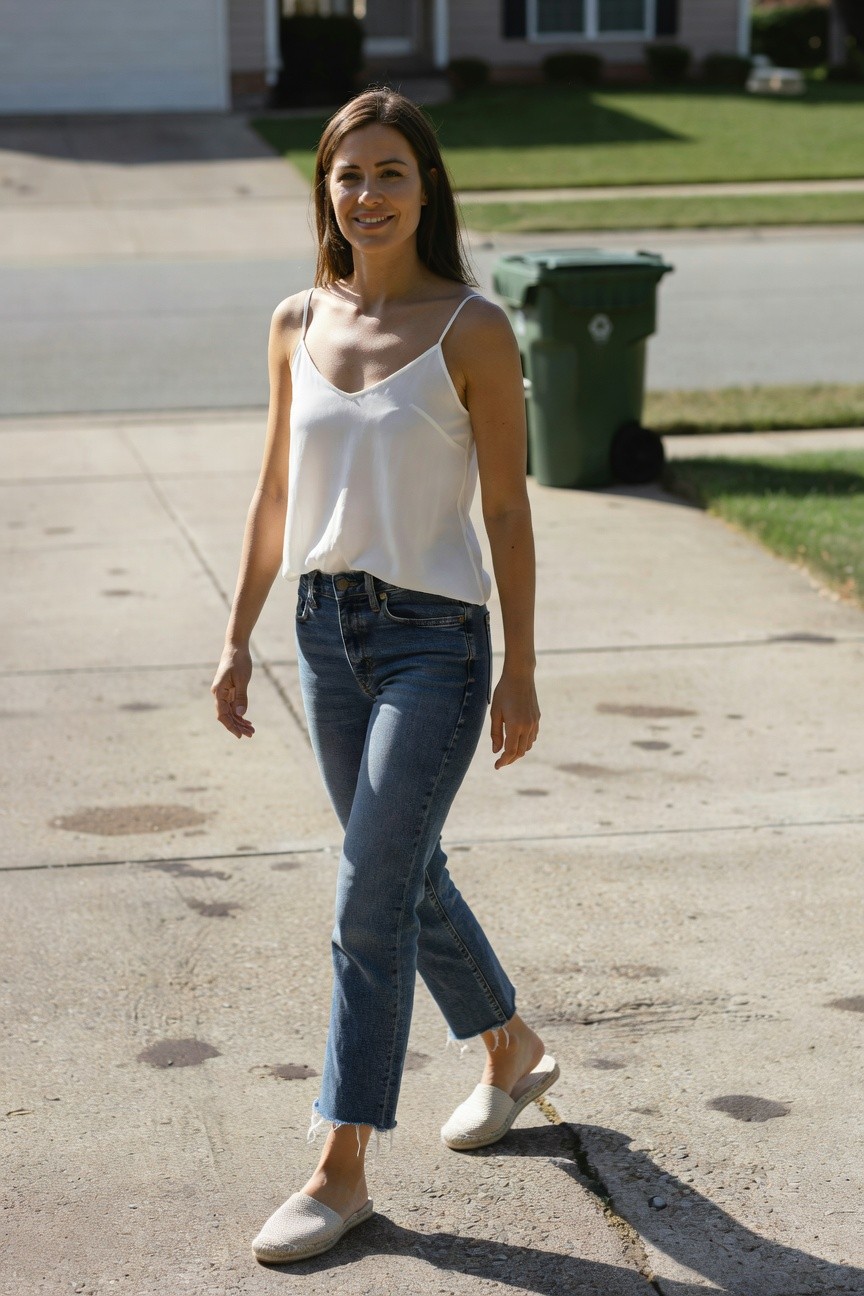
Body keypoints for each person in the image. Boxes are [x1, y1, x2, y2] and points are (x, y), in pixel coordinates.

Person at [211, 87, 557, 1266]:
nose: (367, 194)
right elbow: (272, 496)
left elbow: (506, 508)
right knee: (402, 876)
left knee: (369, 893)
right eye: (348, 174)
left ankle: (339, 1166)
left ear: (427, 190)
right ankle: (508, 1045)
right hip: (324, 633)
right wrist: (235, 635)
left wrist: (521, 666)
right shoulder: (292, 320)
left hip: (436, 644)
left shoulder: (474, 328)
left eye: (391, 173)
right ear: (326, 189)